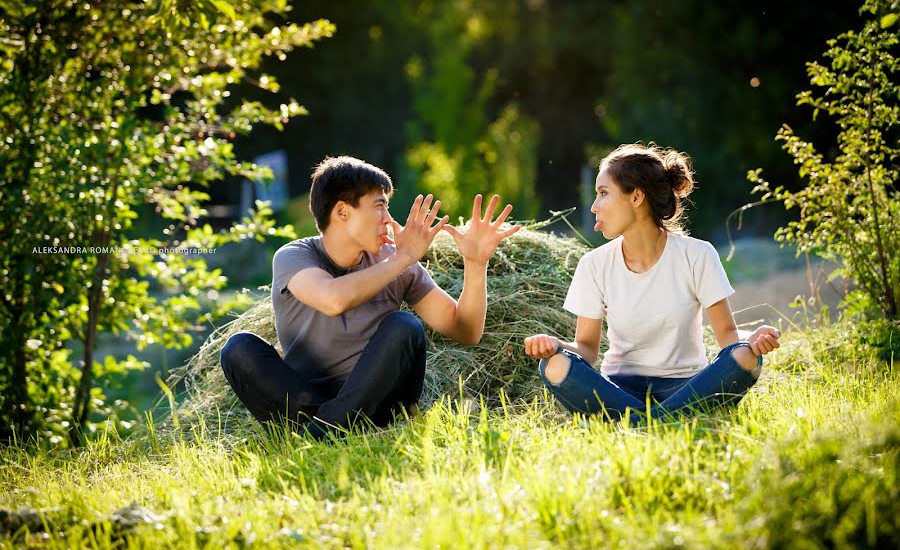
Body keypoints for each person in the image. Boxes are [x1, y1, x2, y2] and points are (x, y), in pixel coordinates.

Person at [220, 156, 521, 437]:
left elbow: (465, 331)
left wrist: (475, 263)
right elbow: (332, 299)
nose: (388, 219)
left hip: (377, 406)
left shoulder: (395, 262)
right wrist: (402, 258)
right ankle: (329, 427)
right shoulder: (295, 256)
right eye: (379, 206)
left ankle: (326, 431)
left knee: (405, 326)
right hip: (306, 403)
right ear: (342, 212)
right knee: (239, 347)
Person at [524, 143, 781, 423]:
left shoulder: (697, 255)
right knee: (555, 365)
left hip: (686, 386)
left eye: (603, 193)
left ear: (635, 197)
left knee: (746, 358)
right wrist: (554, 344)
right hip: (619, 389)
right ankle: (665, 421)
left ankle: (638, 422)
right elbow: (586, 350)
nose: (595, 206)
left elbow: (728, 337)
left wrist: (752, 338)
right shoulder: (594, 265)